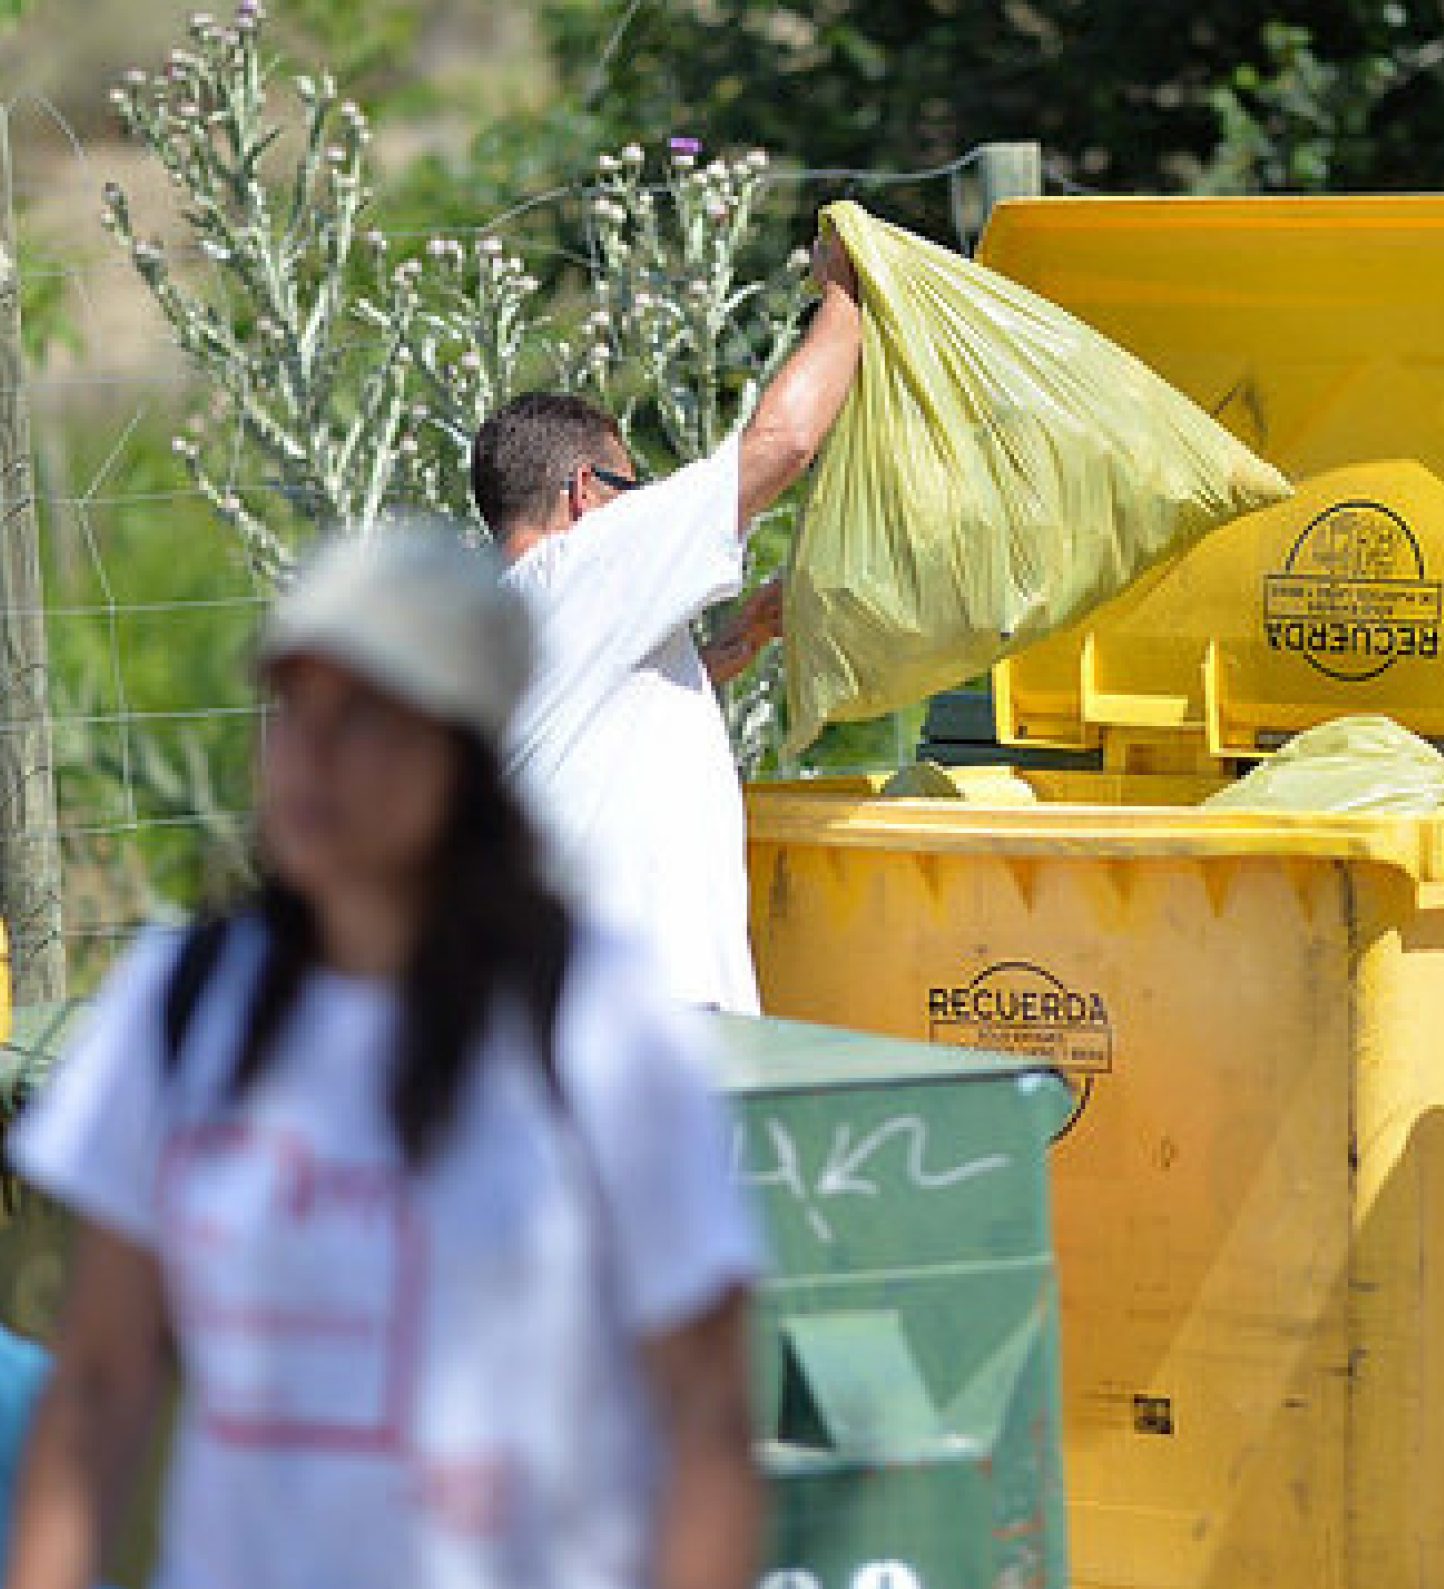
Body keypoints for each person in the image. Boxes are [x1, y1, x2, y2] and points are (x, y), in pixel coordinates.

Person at [5, 535, 764, 1589]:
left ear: (463, 752)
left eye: (362, 713)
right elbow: (95, 1383)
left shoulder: (602, 1024)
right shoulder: (179, 1006)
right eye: (291, 707)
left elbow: (706, 1418)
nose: (310, 751)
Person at [473, 238, 864, 1014]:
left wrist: (729, 651)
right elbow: (781, 446)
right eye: (632, 485)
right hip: (650, 1020)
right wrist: (848, 292)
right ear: (585, 492)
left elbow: (586, 725)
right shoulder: (581, 566)